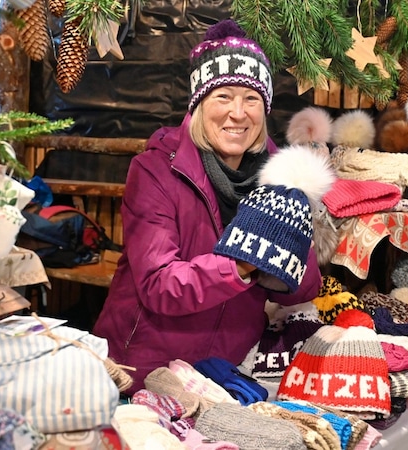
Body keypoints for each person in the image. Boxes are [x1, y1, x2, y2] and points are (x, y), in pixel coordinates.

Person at [92, 19, 326, 394]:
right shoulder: (155, 171)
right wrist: (245, 262)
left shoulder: (282, 177)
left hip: (227, 373)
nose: (238, 113)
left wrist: (293, 241)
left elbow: (300, 291)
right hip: (144, 368)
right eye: (223, 97)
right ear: (199, 103)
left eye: (251, 99)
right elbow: (159, 285)